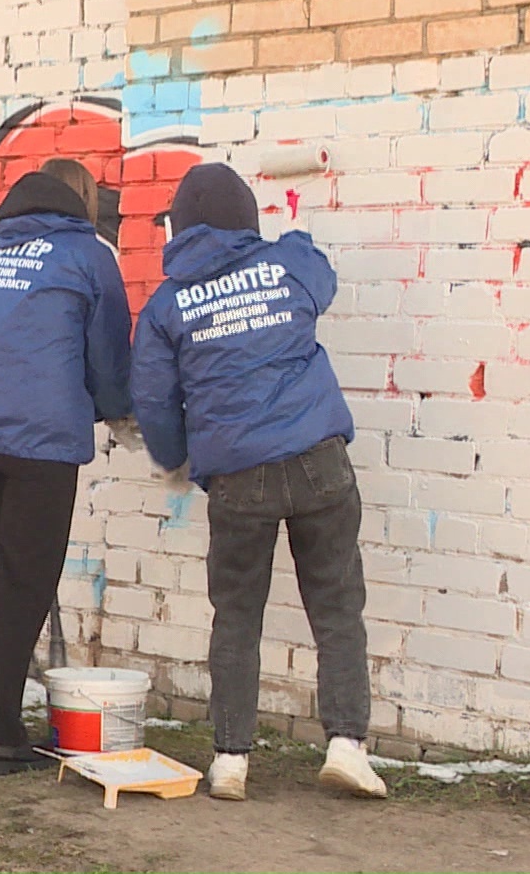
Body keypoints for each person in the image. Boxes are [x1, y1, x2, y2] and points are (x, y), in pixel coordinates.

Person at [129, 162, 387, 801]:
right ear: (248, 218)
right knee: (336, 609)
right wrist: (294, 236)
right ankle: (348, 745)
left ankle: (231, 760)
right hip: (318, 458)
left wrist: (175, 461)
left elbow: (156, 401)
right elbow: (319, 276)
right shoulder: (287, 266)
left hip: (238, 473)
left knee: (236, 617)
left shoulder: (166, 306)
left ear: (180, 228)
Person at [0, 158, 133, 778]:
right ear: (79, 200)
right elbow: (108, 356)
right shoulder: (88, 255)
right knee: (26, 582)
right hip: (41, 441)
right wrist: (121, 413)